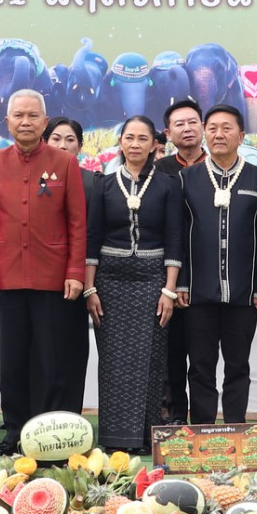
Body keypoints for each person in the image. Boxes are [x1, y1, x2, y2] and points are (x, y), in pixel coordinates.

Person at [0, 90, 88, 456]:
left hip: (53, 278)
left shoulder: (64, 163)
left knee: (50, 361)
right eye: (18, 116)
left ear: (45, 121)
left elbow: (77, 223)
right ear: (7, 121)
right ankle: (15, 431)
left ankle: (47, 434)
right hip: (7, 278)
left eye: (33, 115)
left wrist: (75, 271)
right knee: (12, 360)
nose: (25, 122)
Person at [85, 117, 185, 452]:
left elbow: (174, 238)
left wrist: (169, 290)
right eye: (129, 137)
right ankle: (115, 439)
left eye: (143, 138)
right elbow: (92, 238)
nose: (135, 144)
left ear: (155, 144)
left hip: (153, 280)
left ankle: (143, 437)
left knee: (150, 359)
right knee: (113, 361)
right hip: (109, 282)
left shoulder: (169, 184)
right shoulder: (103, 184)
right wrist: (90, 288)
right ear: (121, 142)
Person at [176, 105, 257, 426]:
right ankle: (202, 427)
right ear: (205, 133)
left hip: (243, 294)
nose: (219, 134)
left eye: (227, 128)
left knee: (238, 365)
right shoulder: (187, 179)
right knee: (200, 367)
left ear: (241, 136)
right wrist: (181, 283)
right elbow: (178, 234)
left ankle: (236, 426)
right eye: (213, 128)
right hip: (197, 293)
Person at [158, 98, 206, 426]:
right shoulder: (159, 171)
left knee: (202, 357)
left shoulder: (220, 167)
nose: (187, 129)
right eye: (179, 124)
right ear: (168, 133)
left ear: (202, 127)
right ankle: (173, 416)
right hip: (167, 276)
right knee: (170, 354)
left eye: (193, 122)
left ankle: (202, 420)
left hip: (208, 276)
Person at [41, 115, 91, 412]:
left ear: (80, 146)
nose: (63, 145)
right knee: (43, 351)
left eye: (70, 140)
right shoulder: (36, 181)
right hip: (44, 278)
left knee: (71, 348)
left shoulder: (93, 182)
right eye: (56, 139)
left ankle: (70, 414)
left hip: (81, 277)